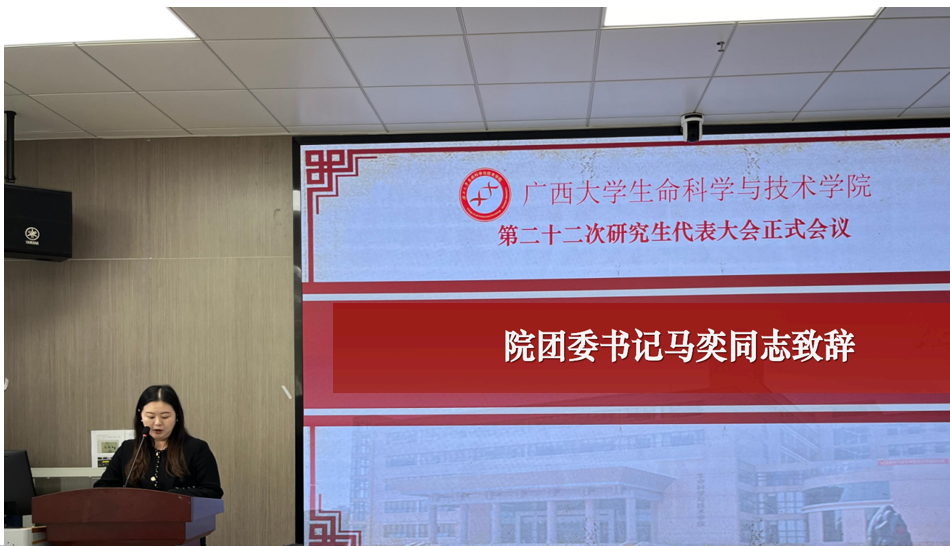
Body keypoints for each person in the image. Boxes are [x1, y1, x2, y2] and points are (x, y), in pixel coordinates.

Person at [95, 385, 223, 543]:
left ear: (177, 416)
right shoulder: (128, 449)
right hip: (133, 535)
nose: (157, 423)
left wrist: (173, 497)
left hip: (182, 536)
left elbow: (213, 491)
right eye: (150, 416)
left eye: (165, 416)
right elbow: (103, 488)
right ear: (140, 415)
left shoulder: (196, 449)